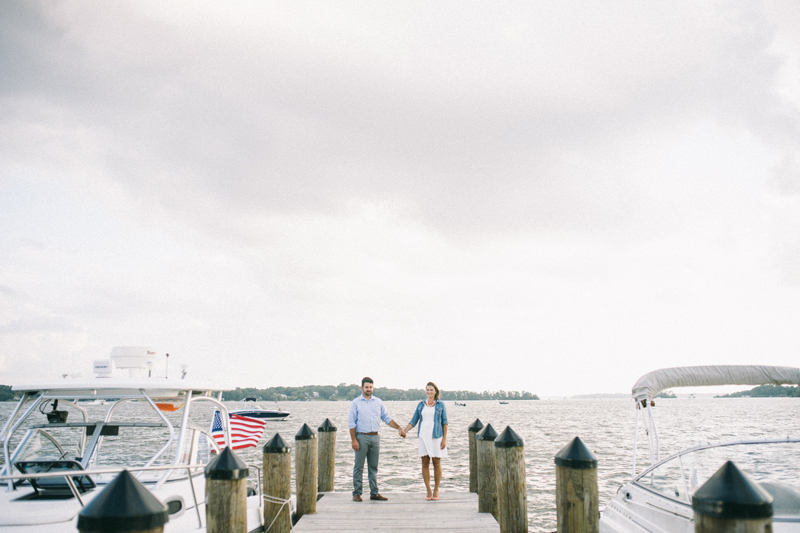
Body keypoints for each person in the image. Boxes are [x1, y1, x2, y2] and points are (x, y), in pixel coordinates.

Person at [348, 377, 406, 502]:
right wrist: (354, 440)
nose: (368, 389)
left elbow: (386, 418)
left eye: (370, 387)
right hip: (361, 436)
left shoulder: (378, 402)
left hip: (375, 437)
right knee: (359, 466)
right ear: (362, 388)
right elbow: (351, 423)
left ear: (373, 388)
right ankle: (357, 493)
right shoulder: (356, 403)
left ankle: (374, 493)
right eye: (366, 387)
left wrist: (399, 428)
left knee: (373, 467)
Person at [402, 382, 448, 501]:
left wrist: (444, 439)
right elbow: (414, 420)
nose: (429, 392)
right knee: (425, 463)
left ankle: (436, 489)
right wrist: (404, 431)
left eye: (431, 390)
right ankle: (428, 489)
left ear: (436, 391)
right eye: (427, 390)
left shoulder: (441, 405)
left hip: (436, 436)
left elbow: (445, 422)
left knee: (436, 462)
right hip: (423, 436)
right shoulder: (421, 404)